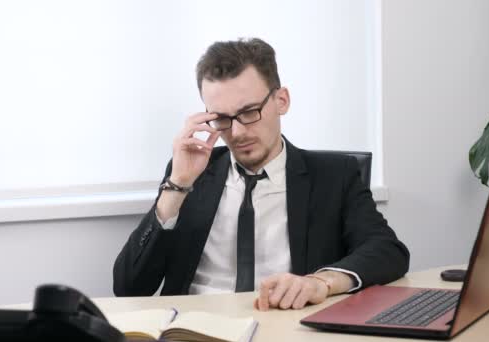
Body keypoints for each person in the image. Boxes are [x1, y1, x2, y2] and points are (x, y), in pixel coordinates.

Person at [113, 38, 409, 311]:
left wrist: (320, 282)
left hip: (284, 327)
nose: (238, 132)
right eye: (223, 119)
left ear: (281, 101)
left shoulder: (334, 176)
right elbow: (128, 287)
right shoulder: (190, 176)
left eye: (250, 111)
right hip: (194, 328)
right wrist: (177, 186)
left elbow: (387, 250)